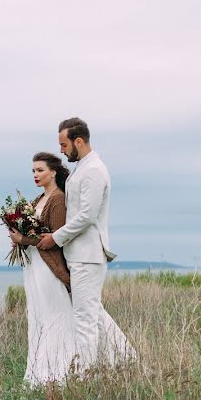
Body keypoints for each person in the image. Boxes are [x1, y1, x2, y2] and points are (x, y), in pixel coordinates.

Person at [36, 117, 134, 372]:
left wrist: (55, 237)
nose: (61, 150)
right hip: (78, 254)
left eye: (64, 144)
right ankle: (119, 363)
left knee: (85, 319)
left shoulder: (94, 170)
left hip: (88, 256)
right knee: (94, 315)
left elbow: (87, 216)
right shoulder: (83, 168)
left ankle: (87, 375)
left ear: (79, 141)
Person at [8, 152, 75, 384]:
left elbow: (55, 241)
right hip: (34, 266)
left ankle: (59, 374)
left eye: (40, 170)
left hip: (48, 267)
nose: (36, 175)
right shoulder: (37, 201)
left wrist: (23, 240)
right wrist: (17, 235)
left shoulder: (58, 199)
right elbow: (33, 236)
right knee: (39, 316)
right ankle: (40, 373)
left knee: (56, 315)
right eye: (33, 171)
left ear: (53, 172)